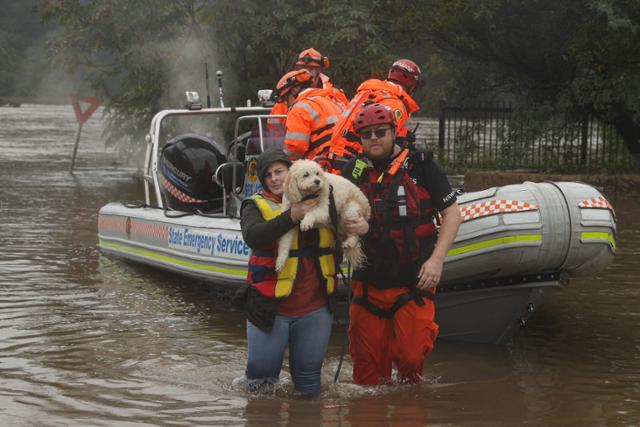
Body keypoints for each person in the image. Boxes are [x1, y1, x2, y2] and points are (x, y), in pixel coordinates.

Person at [340, 103, 461, 385]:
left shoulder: (421, 165)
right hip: (368, 280)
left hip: (413, 279)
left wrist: (437, 260)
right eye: (366, 134)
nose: (373, 138)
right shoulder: (353, 170)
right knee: (367, 376)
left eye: (380, 132)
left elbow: (452, 213)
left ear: (394, 131)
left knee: (410, 360)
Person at [236, 148, 339, 396]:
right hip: (270, 307)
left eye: (279, 171)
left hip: (314, 307)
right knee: (261, 381)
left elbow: (344, 230)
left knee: (309, 382)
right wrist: (292, 216)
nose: (274, 178)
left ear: (290, 173)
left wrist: (359, 226)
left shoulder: (324, 198)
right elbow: (253, 236)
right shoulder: (254, 206)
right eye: (268, 175)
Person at [328, 59, 424, 170]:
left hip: (336, 160)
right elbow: (384, 144)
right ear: (411, 85)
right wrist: (403, 142)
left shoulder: (367, 92)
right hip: (356, 164)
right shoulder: (394, 103)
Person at [269, 48, 349, 127]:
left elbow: (348, 117)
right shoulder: (289, 91)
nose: (306, 72)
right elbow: (274, 124)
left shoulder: (333, 92)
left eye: (310, 69)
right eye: (303, 68)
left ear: (319, 70)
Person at [275, 69, 343, 162]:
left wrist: (281, 161)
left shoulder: (298, 109)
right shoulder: (330, 100)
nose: (287, 104)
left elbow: (295, 149)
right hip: (342, 159)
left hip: (322, 164)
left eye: (286, 99)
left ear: (294, 89)